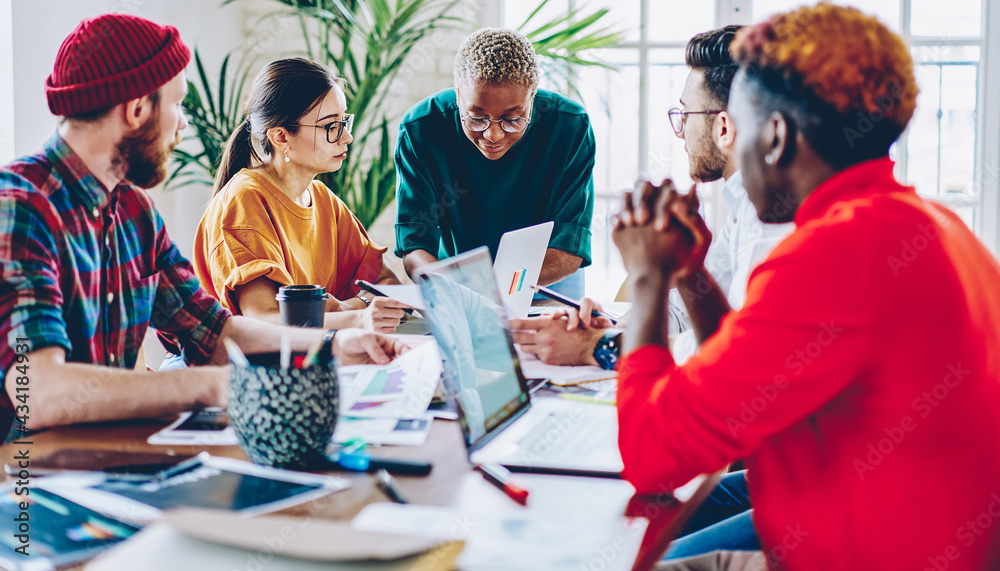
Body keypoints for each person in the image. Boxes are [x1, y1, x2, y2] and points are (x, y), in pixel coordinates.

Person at [613, 4, 1000, 570]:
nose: (736, 159)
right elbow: (748, 398)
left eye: (739, 131)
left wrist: (647, 278)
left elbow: (652, 456)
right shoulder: (929, 223)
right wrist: (691, 275)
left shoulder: (832, 254)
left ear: (774, 137)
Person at [0, 14, 405, 441]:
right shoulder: (20, 207)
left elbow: (217, 332)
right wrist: (218, 386)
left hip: (117, 459)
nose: (184, 123)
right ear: (137, 109)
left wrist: (334, 346)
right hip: (31, 483)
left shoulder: (135, 212)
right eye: (176, 104)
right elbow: (38, 393)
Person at [511, 26, 790, 371]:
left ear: (723, 127)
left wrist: (599, 348)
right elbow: (685, 314)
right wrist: (615, 325)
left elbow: (741, 355)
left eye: (685, 115)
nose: (680, 133)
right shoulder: (743, 207)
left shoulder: (772, 225)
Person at [191, 58, 408, 335]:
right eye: (331, 126)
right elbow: (261, 320)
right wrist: (357, 317)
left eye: (344, 121)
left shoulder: (322, 199)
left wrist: (345, 308)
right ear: (281, 137)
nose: (346, 138)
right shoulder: (244, 200)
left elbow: (387, 284)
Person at [394, 27, 595, 297]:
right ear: (457, 95)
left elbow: (570, 247)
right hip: (456, 279)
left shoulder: (570, 126)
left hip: (548, 275)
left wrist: (493, 289)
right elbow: (415, 244)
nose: (493, 134)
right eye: (476, 117)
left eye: (513, 119)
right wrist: (455, 289)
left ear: (532, 96)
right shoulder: (421, 129)